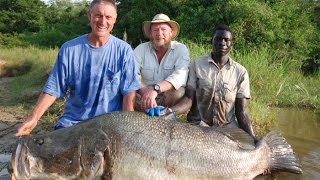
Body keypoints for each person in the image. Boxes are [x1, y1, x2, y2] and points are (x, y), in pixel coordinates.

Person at [15, 0, 140, 136]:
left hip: (108, 124)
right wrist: (33, 118)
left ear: (114, 20)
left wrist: (127, 127)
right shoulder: (69, 49)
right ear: (89, 15)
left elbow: (129, 91)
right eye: (98, 15)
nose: (103, 22)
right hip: (73, 123)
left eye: (108, 17)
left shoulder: (124, 50)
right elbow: (53, 89)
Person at [171, 24, 256, 139]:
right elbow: (188, 99)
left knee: (249, 147)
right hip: (199, 125)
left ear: (231, 44)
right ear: (212, 41)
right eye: (218, 39)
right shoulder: (197, 64)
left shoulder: (240, 72)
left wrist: (254, 140)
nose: (222, 43)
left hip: (227, 128)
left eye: (227, 40)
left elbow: (242, 113)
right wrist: (168, 112)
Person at [134, 13, 190, 116]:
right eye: (155, 30)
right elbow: (131, 74)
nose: (159, 33)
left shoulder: (180, 49)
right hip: (145, 97)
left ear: (171, 33)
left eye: (163, 29)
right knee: (129, 93)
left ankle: (167, 116)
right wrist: (145, 92)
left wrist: (155, 89)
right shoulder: (140, 49)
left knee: (179, 93)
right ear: (150, 34)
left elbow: (180, 76)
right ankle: (141, 117)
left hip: (167, 96)